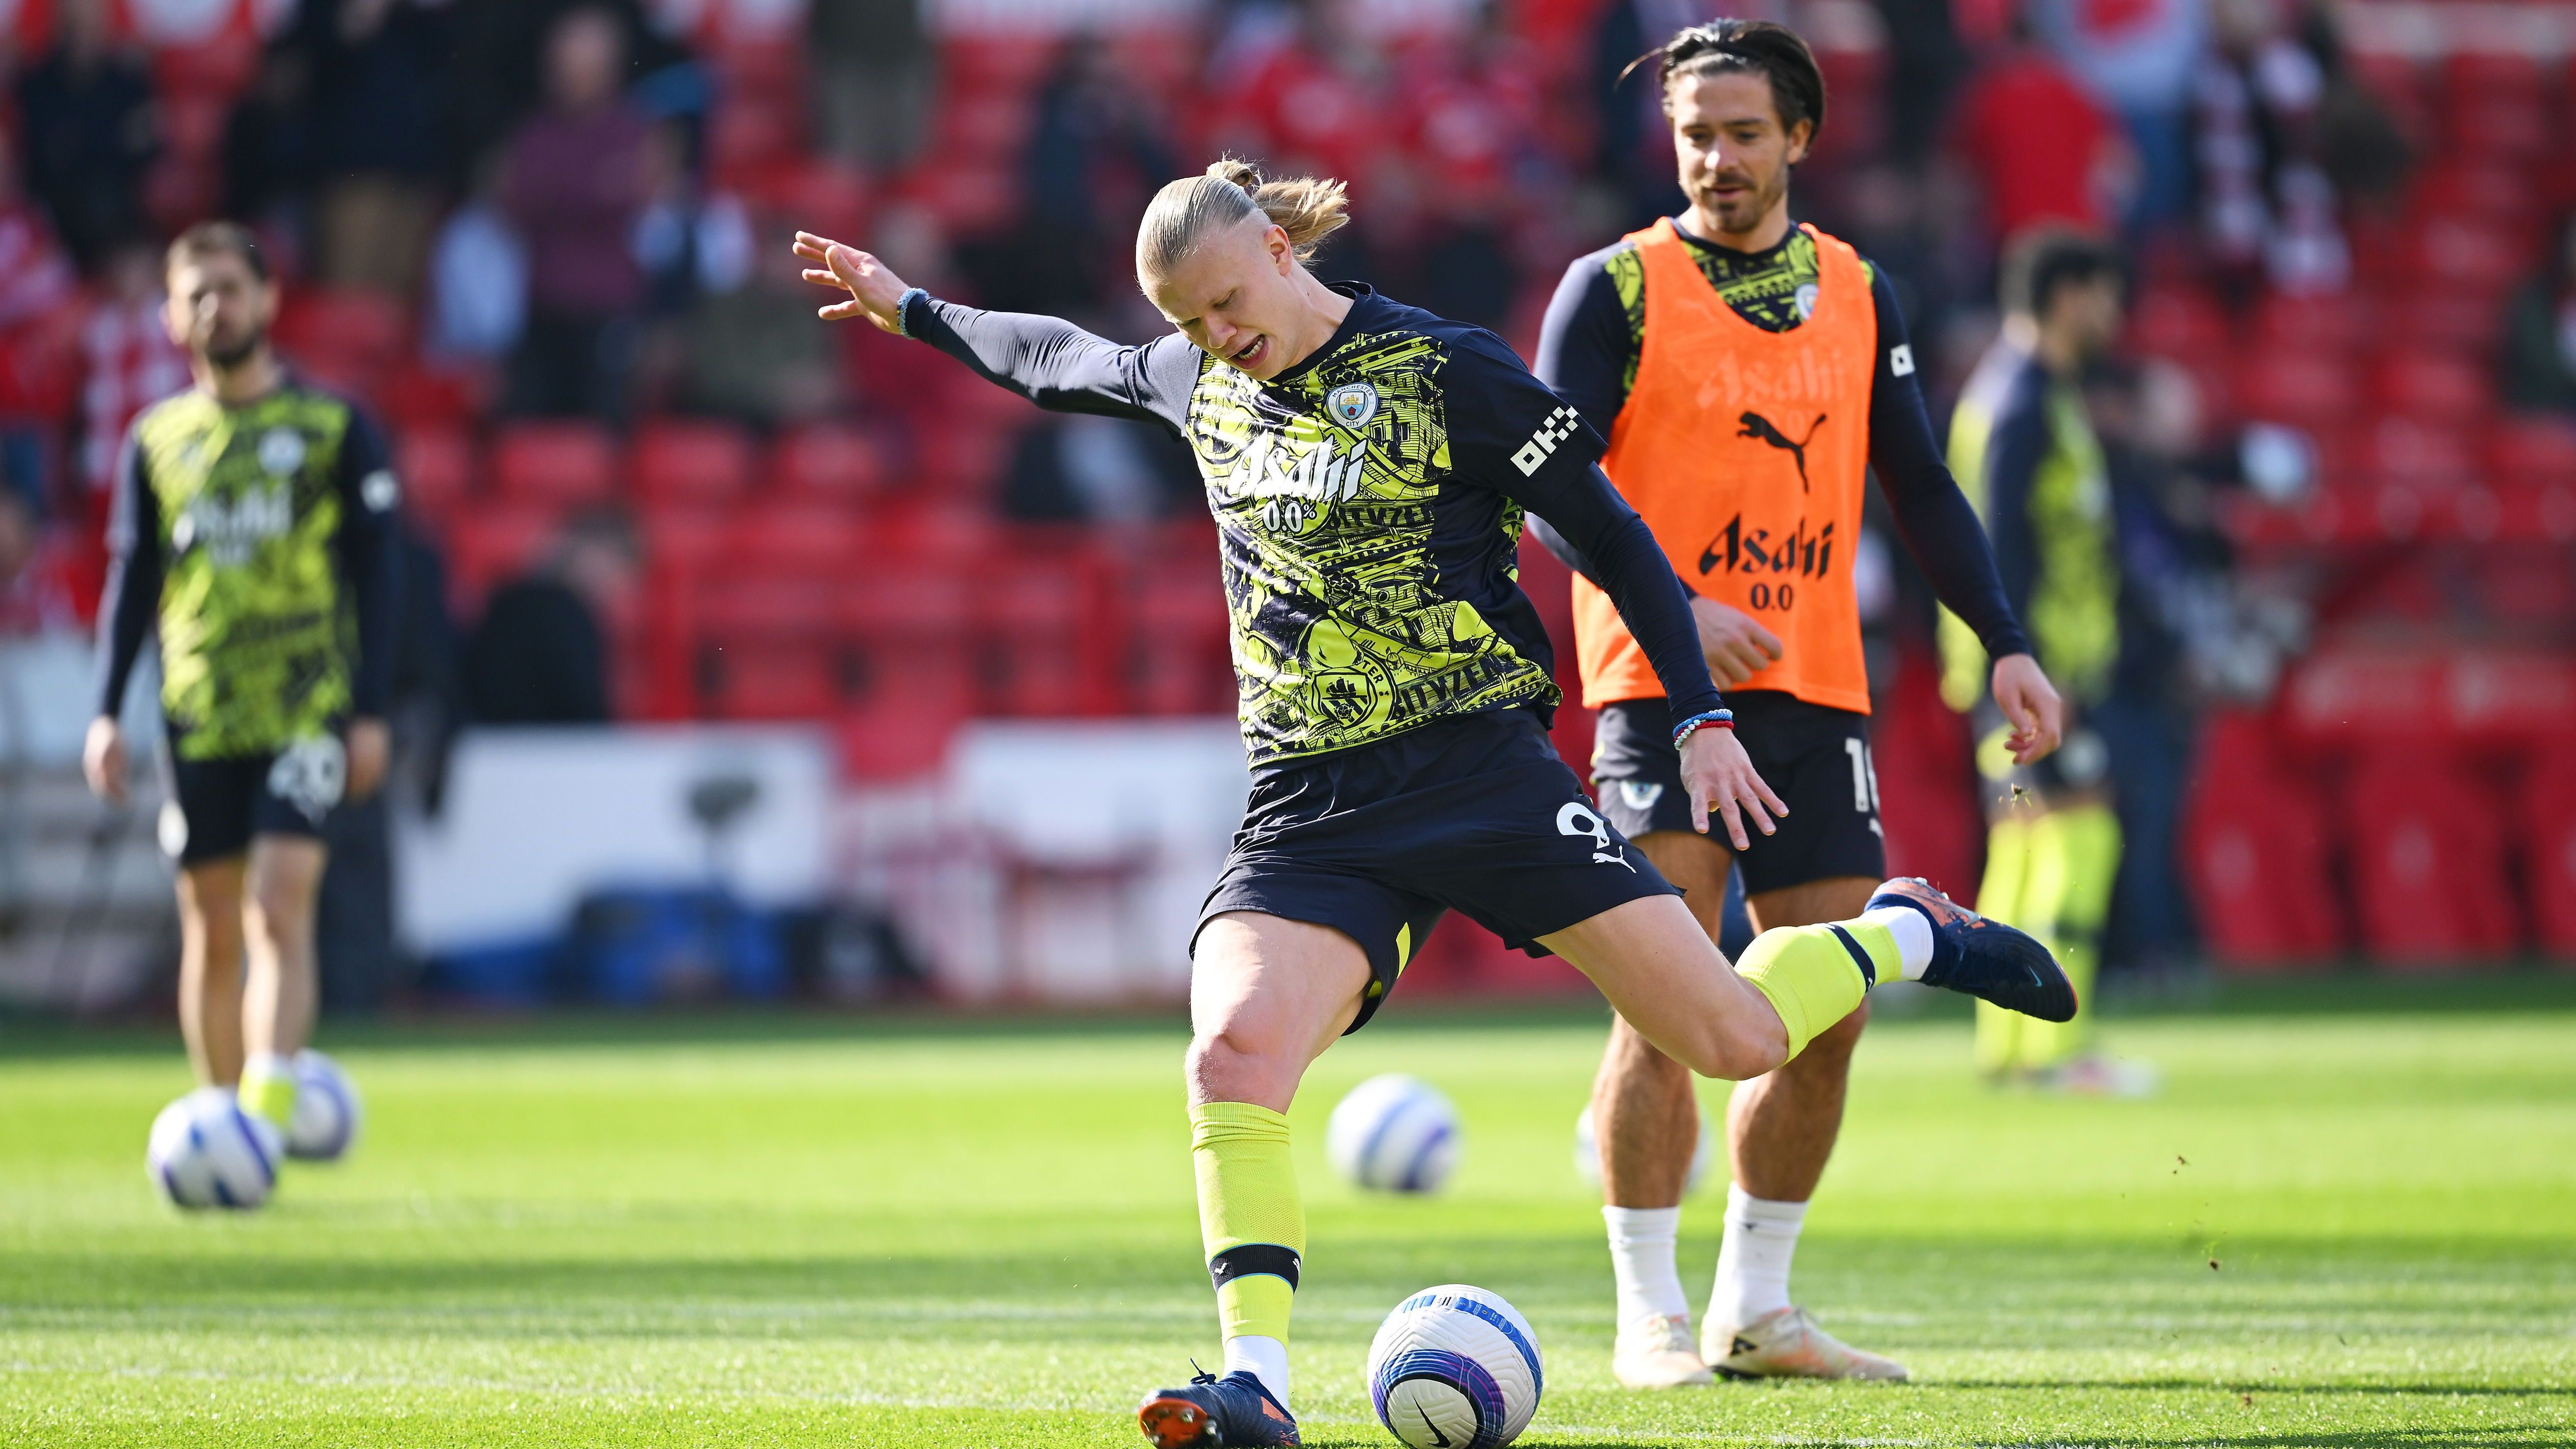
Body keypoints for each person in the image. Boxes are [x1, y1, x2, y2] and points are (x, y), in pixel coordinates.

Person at [797, 157, 2075, 1449]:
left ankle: (1909, 931)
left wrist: (1697, 717)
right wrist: (913, 307)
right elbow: (1055, 359)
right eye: (1188, 325)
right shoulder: (1202, 382)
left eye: (1228, 305)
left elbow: (1615, 534)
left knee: (1737, 1039)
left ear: (1282, 255)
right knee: (1230, 1056)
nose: (1215, 341)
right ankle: (1257, 1382)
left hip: (1482, 770)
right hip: (1311, 802)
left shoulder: (1447, 370)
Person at [1531, 20, 2065, 1389]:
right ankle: (1646, 1314)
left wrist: (2000, 640)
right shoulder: (1615, 292)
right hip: (1659, 691)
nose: (1714, 157)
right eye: (1694, 133)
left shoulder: (1859, 290)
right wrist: (1670, 602)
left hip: (1814, 690)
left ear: (1799, 138)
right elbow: (1549, 492)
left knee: (1822, 1013)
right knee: (1665, 1001)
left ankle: (1755, 1311)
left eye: (1741, 132)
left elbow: (1922, 488)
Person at [83, 222, 401, 1159]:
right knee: (211, 922)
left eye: (230, 287)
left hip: (306, 701)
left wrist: (371, 709)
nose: (215, 306)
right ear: (171, 316)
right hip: (200, 708)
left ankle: (260, 1116)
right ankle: (222, 1119)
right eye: (196, 293)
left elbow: (379, 578)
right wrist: (108, 710)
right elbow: (133, 582)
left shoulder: (332, 427)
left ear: (268, 301)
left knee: (278, 901)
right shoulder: (158, 439)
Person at [1939, 227, 2144, 1094]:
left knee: (2022, 847)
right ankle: (2061, 1050)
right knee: (2080, 837)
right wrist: (2018, 658)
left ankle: (2010, 1050)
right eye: (2104, 294)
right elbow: (1999, 545)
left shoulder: (2017, 391)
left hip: (2014, 667)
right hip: (2034, 670)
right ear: (2069, 297)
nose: (2114, 313)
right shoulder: (2024, 401)